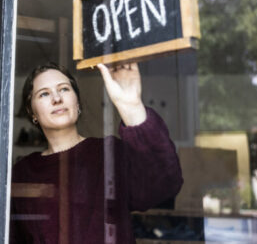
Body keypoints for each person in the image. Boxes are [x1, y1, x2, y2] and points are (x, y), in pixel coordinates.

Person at [10, 62, 183, 244]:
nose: (56, 98)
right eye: (44, 94)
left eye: (64, 89)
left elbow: (165, 184)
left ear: (77, 102)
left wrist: (131, 107)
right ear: (32, 112)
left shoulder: (109, 153)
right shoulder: (22, 173)